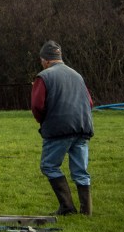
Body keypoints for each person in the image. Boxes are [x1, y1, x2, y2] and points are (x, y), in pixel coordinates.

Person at [32, 40, 94, 216]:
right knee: (80, 170)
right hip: (83, 127)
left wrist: (44, 122)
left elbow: (37, 106)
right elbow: (90, 102)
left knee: (49, 165)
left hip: (59, 128)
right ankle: (86, 211)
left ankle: (67, 207)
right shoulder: (77, 75)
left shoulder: (44, 76)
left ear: (45, 60)